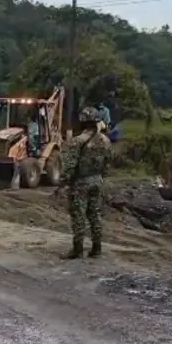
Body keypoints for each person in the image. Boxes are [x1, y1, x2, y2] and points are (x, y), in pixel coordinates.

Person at [57, 106, 111, 259]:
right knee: (95, 214)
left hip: (81, 182)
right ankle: (97, 248)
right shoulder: (106, 141)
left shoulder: (77, 141)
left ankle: (78, 249)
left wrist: (63, 183)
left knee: (78, 215)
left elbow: (69, 166)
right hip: (97, 180)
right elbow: (108, 163)